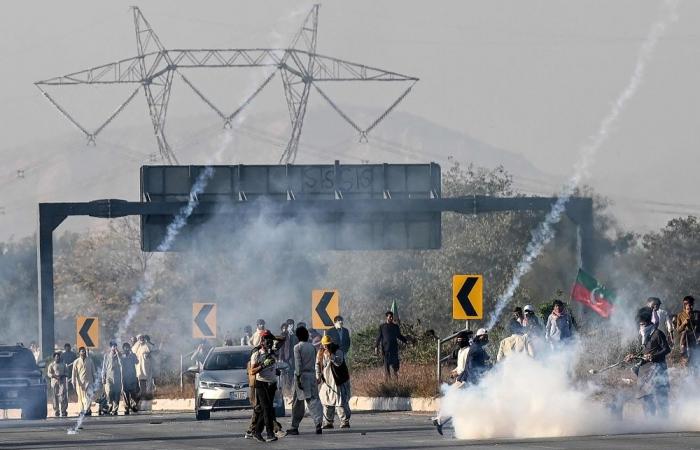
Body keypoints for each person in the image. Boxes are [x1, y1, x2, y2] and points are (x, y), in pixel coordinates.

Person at [625, 306, 671, 417]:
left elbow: (667, 349)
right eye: (640, 324)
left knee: (660, 396)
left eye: (644, 324)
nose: (642, 326)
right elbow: (641, 352)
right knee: (645, 397)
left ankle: (665, 422)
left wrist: (653, 356)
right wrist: (632, 356)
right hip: (644, 371)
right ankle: (649, 422)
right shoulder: (640, 335)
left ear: (649, 322)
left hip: (657, 369)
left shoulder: (657, 333)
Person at [287, 326, 323, 436]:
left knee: (299, 403)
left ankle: (295, 427)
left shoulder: (297, 347)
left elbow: (298, 365)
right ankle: (318, 423)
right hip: (311, 376)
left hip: (302, 377)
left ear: (298, 336)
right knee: (313, 401)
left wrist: (298, 378)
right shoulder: (312, 347)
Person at [248, 331, 279, 442]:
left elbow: (282, 339)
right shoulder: (257, 354)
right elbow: (252, 371)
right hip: (262, 383)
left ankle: (256, 431)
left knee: (265, 408)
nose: (269, 342)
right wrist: (264, 364)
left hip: (272, 384)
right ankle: (270, 434)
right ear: (262, 341)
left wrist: (272, 337)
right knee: (266, 408)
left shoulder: (273, 353)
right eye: (266, 340)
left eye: (270, 340)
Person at [317, 335, 351, 429]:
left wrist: (331, 356)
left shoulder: (338, 351)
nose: (326, 347)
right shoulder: (320, 353)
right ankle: (328, 422)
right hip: (327, 381)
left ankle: (344, 421)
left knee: (340, 402)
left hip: (337, 381)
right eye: (324, 345)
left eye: (327, 345)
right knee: (326, 401)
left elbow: (338, 363)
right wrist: (318, 376)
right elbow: (317, 365)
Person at [374, 311, 408, 379]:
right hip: (386, 350)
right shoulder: (382, 327)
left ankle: (396, 380)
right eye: (390, 317)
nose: (391, 318)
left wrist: (406, 341)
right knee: (387, 368)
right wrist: (376, 347)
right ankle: (388, 383)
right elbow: (379, 337)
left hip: (394, 349)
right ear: (387, 317)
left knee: (395, 367)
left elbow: (399, 336)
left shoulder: (395, 327)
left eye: (392, 317)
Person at [677, 295, 700, 373]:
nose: (689, 306)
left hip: (696, 338)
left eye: (690, 304)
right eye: (686, 304)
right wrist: (684, 323)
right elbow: (678, 330)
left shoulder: (697, 314)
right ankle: (688, 375)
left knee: (696, 357)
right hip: (685, 341)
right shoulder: (680, 315)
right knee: (687, 359)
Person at [72, 346, 96, 416]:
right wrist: (73, 382)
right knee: (80, 398)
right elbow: (74, 373)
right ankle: (82, 410)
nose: (84, 352)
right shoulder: (76, 362)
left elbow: (93, 371)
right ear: (79, 352)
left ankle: (88, 410)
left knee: (88, 396)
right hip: (80, 383)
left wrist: (95, 380)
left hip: (89, 382)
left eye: (84, 351)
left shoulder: (90, 360)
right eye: (82, 351)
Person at [101, 341, 123, 415]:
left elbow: (121, 364)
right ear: (110, 347)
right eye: (113, 346)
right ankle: (110, 405)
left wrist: (118, 354)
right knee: (109, 392)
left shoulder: (119, 355)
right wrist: (103, 376)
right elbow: (104, 367)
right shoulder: (106, 356)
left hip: (117, 377)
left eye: (115, 346)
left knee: (117, 393)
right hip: (108, 377)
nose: (114, 348)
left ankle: (115, 410)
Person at [133, 334, 155, 403]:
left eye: (142, 338)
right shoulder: (136, 346)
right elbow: (133, 351)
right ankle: (143, 395)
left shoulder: (147, 345)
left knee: (148, 381)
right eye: (139, 338)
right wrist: (138, 343)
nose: (141, 339)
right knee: (141, 382)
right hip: (139, 368)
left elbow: (151, 349)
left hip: (147, 367)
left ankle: (149, 395)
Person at [277, 323, 297, 403]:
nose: (290, 327)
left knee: (291, 374)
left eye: (292, 325)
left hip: (292, 357)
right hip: (285, 358)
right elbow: (281, 348)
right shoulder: (283, 335)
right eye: (289, 325)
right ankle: (285, 392)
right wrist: (280, 358)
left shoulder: (294, 334)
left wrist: (293, 335)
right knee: (284, 375)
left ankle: (290, 392)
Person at [47, 351, 68, 417]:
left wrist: (62, 375)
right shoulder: (51, 365)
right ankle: (56, 410)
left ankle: (63, 410)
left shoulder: (63, 365)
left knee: (63, 396)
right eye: (56, 357)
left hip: (62, 382)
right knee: (55, 397)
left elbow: (67, 373)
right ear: (54, 358)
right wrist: (54, 376)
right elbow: (49, 373)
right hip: (54, 383)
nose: (57, 358)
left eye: (58, 357)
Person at [121, 342, 140, 414]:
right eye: (125, 347)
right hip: (124, 378)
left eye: (127, 347)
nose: (126, 349)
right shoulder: (121, 357)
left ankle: (134, 405)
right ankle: (127, 408)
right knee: (125, 394)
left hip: (132, 377)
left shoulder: (133, 355)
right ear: (123, 349)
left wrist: (132, 354)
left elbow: (137, 362)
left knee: (133, 393)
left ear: (129, 348)